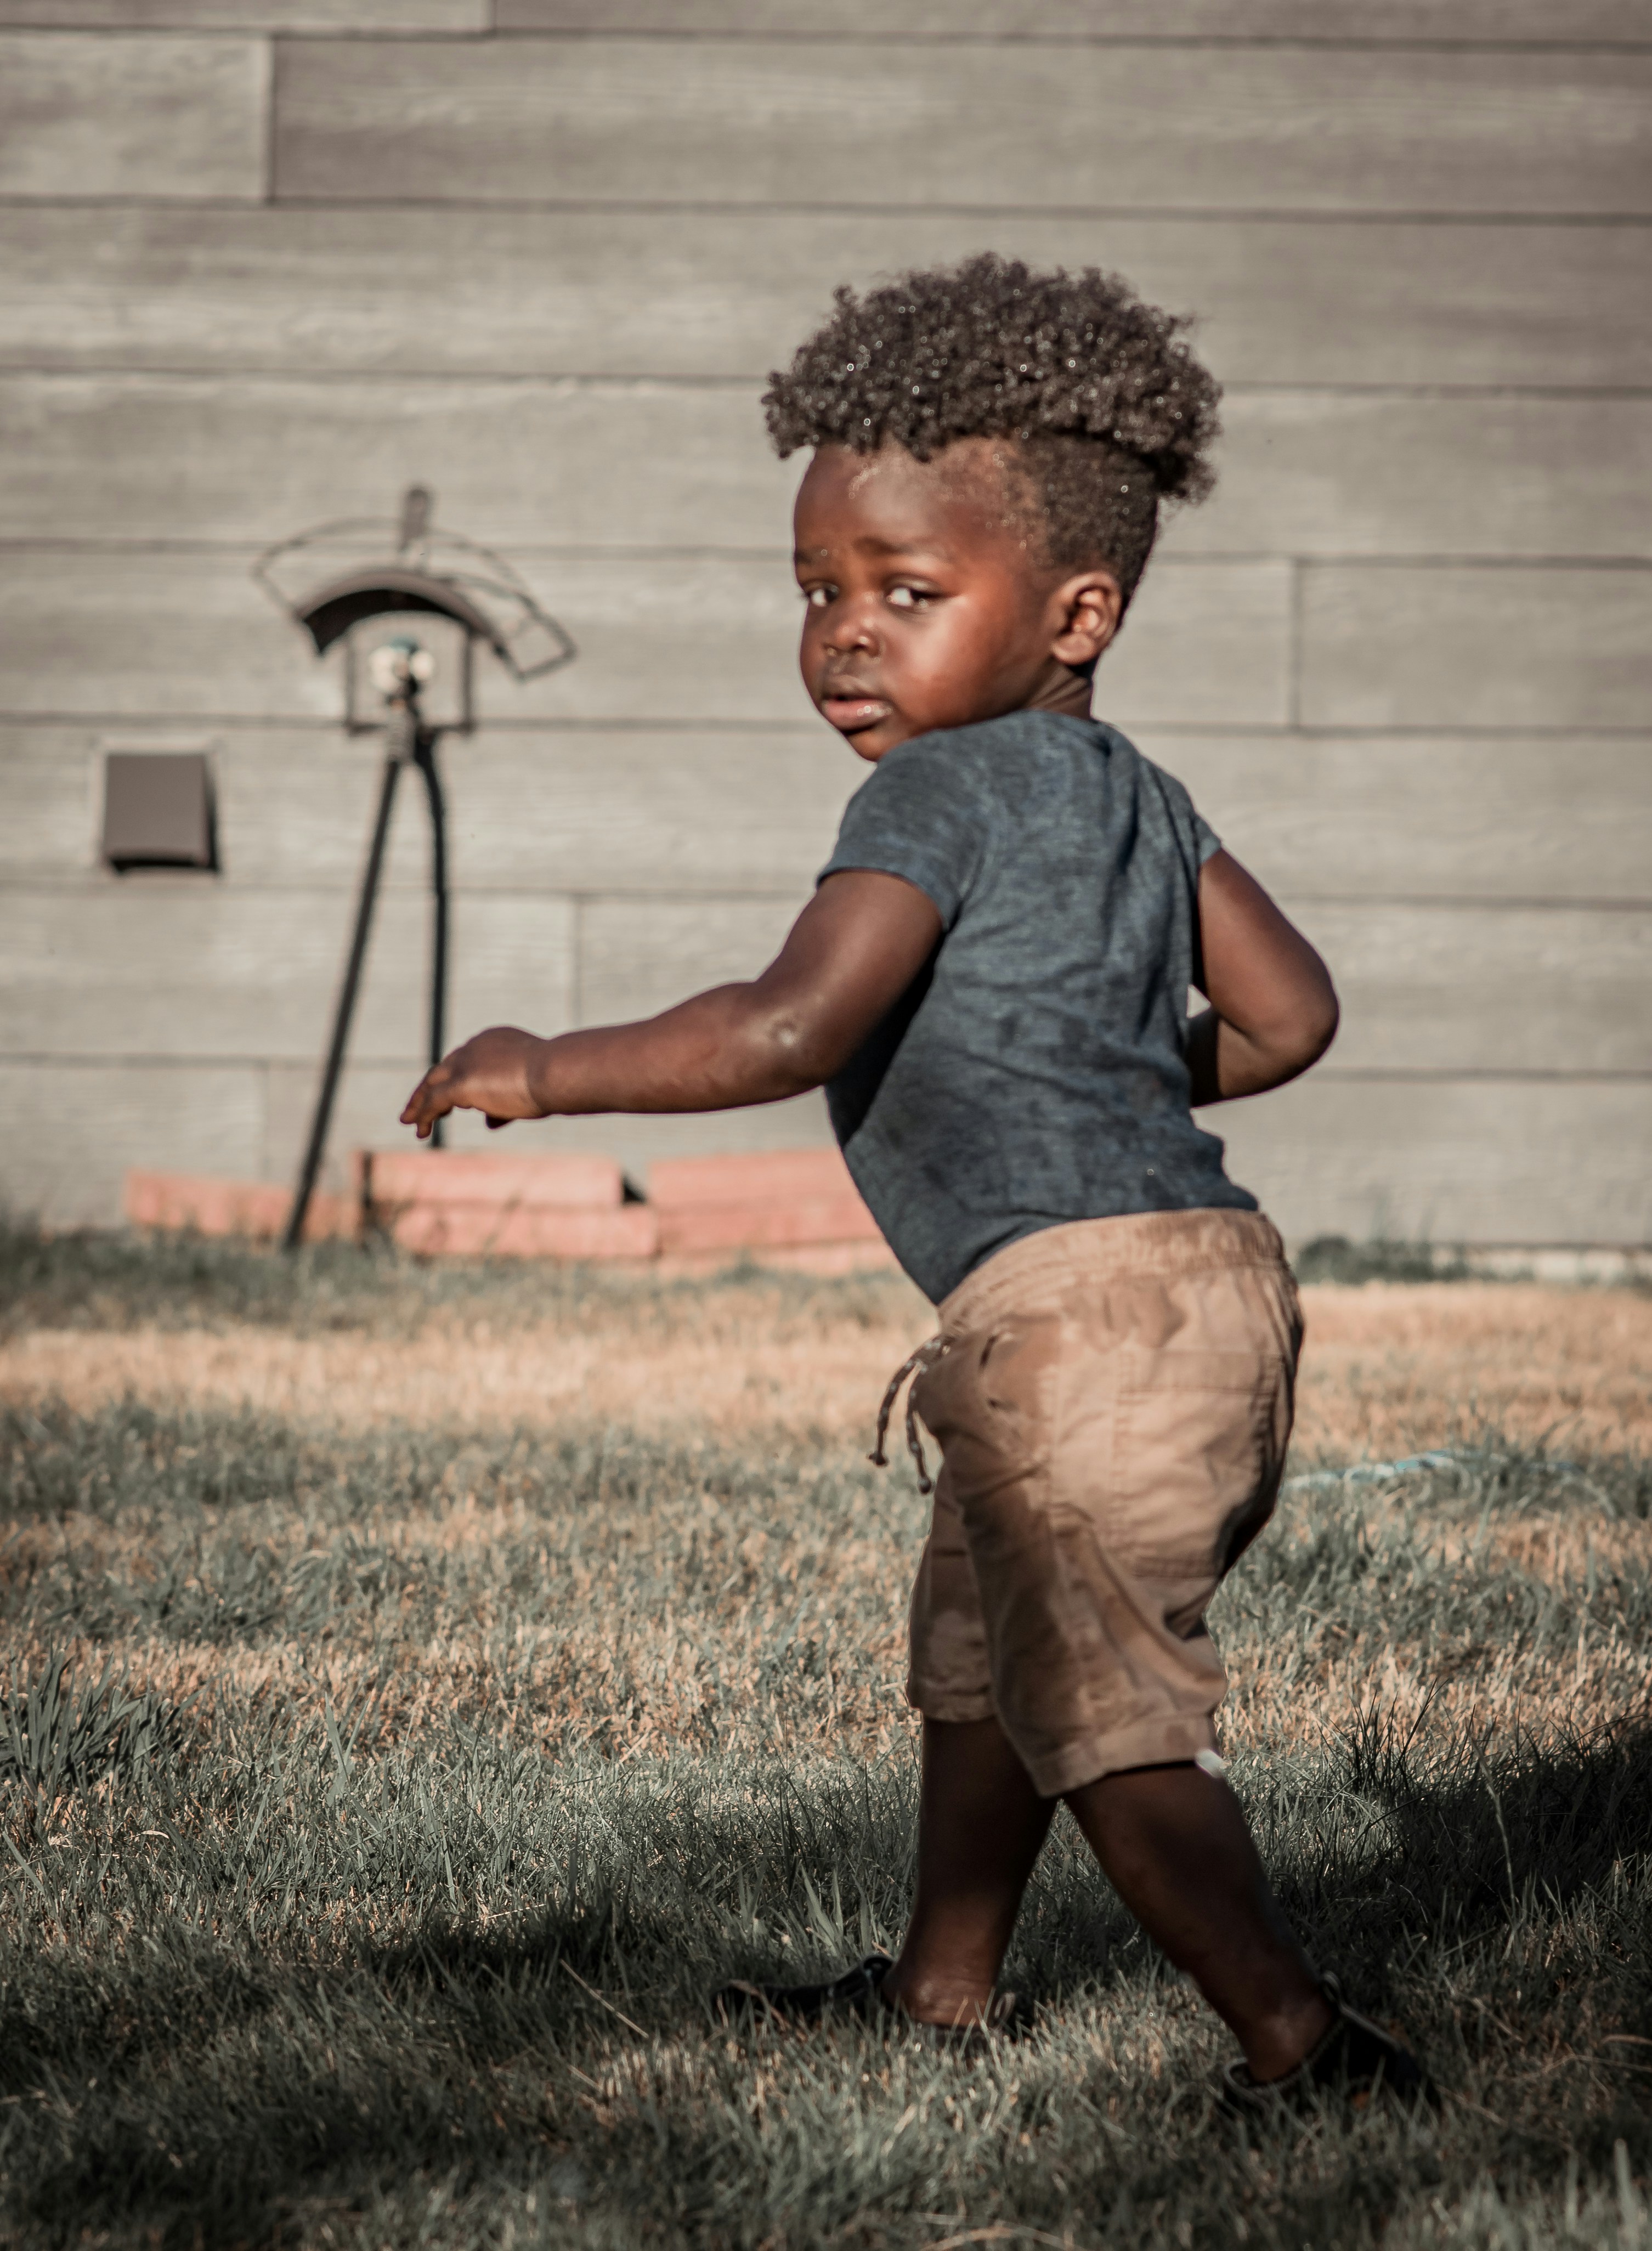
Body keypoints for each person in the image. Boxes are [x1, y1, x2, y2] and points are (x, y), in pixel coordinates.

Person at [401, 254, 1433, 2116]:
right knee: (983, 1665)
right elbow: (1290, 1020)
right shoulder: (1140, 794)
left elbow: (791, 1026)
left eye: (908, 590)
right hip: (1205, 1283)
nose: (846, 633)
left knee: (1104, 1715)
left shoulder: (934, 797)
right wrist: (1110, 1073)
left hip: (1082, 1317)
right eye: (818, 591)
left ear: (1075, 607)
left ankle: (1306, 2044)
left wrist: (545, 1069)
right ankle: (938, 1994)